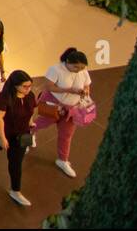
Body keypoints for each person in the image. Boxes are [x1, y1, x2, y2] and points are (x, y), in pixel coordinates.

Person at [0, 69, 37, 207]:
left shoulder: (30, 96)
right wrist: (2, 137)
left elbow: (30, 111)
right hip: (4, 129)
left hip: (23, 132)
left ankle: (16, 190)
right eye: (25, 86)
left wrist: (30, 122)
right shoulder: (4, 98)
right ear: (15, 85)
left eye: (30, 86)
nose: (28, 89)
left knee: (17, 162)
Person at [32, 48, 93, 178]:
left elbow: (87, 84)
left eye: (81, 68)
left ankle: (63, 160)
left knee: (67, 135)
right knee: (39, 124)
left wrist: (86, 91)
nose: (78, 70)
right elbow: (49, 87)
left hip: (72, 108)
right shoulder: (55, 69)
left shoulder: (83, 71)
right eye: (75, 67)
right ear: (67, 62)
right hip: (54, 104)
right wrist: (69, 90)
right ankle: (28, 136)